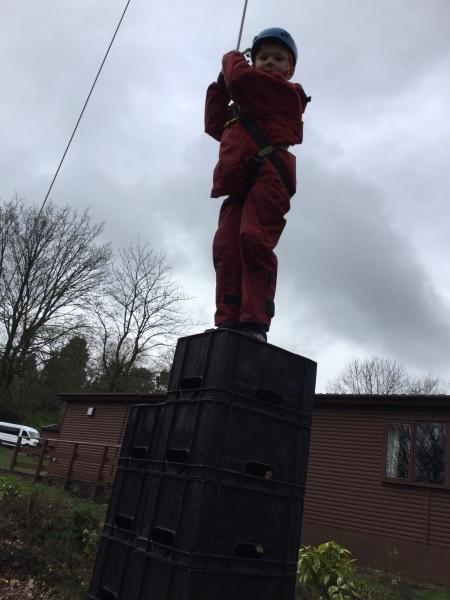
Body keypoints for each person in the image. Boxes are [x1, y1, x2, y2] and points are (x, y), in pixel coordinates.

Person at [205, 27, 310, 342]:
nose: (270, 63)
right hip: (239, 183)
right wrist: (220, 86)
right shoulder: (243, 106)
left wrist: (230, 61)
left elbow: (241, 81)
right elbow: (215, 125)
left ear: (289, 69)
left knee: (253, 238)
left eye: (278, 58)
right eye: (263, 57)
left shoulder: (287, 95)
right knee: (226, 247)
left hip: (270, 176)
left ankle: (255, 322)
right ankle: (228, 319)